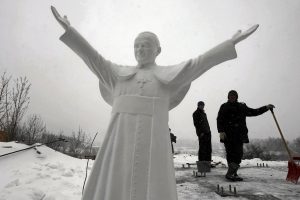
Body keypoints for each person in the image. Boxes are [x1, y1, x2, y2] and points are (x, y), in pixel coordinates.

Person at [51, 5, 259, 200]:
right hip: (119, 144)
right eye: (137, 46)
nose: (140, 49)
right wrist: (72, 32)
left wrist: (229, 44)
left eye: (146, 46)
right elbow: (93, 58)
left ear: (158, 50)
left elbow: (199, 63)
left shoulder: (168, 77)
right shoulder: (117, 75)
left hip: (153, 145)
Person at [217, 90, 274, 181]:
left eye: (234, 96)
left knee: (239, 154)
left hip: (239, 135)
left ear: (236, 97)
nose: (232, 97)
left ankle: (233, 172)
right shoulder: (224, 106)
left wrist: (266, 108)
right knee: (231, 154)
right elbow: (219, 119)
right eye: (230, 96)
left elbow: (254, 112)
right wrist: (221, 131)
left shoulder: (241, 107)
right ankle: (231, 173)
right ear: (228, 97)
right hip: (228, 135)